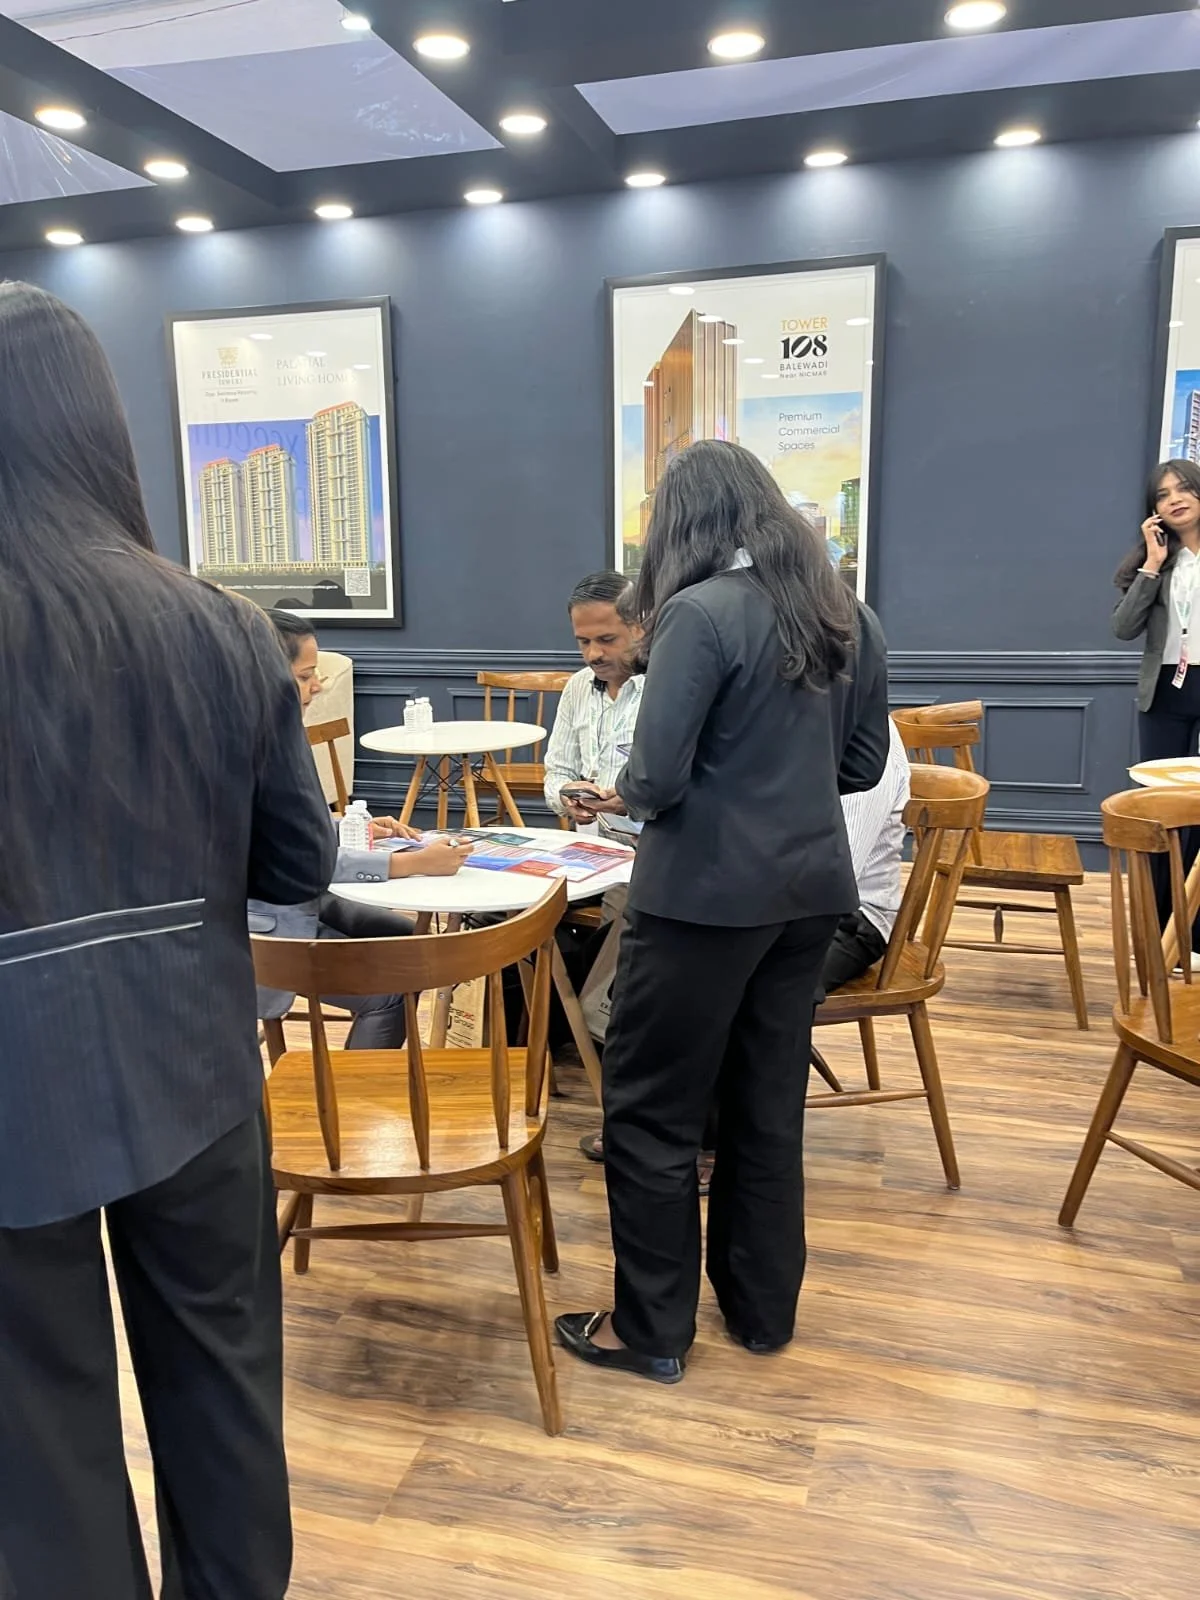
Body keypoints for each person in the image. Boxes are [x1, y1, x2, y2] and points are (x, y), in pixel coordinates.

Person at [0, 284, 336, 1597]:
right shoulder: (221, 627)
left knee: (38, 1436)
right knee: (225, 1388)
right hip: (194, 1067)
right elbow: (295, 868)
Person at [555, 438, 889, 1385]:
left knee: (653, 1114)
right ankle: (761, 1310)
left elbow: (655, 779)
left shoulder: (699, 613)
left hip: (700, 898)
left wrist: (645, 789)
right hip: (809, 896)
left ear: (682, 523)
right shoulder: (847, 613)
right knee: (765, 1104)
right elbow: (859, 767)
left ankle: (650, 1327)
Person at [252, 610, 472, 1049]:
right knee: (389, 990)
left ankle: (368, 1088)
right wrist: (408, 864)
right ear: (266, 675)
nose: (317, 686)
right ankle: (356, 1109)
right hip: (269, 931)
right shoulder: (250, 753)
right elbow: (298, 857)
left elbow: (293, 832)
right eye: (307, 675)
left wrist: (351, 825)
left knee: (409, 940)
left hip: (305, 903)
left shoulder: (279, 734)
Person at [1113, 459, 1200, 937]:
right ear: (1154, 511)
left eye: (1184, 489)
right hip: (1166, 690)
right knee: (1163, 812)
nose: (1174, 499)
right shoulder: (1158, 564)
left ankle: (1198, 932)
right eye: (1163, 495)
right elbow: (1124, 628)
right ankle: (1161, 926)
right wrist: (1151, 563)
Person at [543, 570, 643, 824]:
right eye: (583, 642)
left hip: (651, 847)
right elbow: (557, 771)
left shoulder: (669, 686)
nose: (593, 654)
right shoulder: (578, 685)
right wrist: (565, 796)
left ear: (639, 628)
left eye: (606, 639)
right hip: (590, 848)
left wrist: (634, 799)